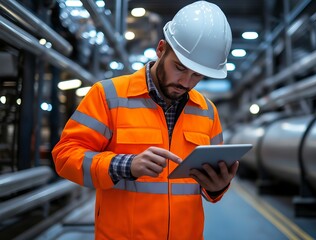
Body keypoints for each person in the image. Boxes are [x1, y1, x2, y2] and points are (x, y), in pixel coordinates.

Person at [52, 1, 237, 239]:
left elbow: (209, 186)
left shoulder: (207, 111)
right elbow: (65, 157)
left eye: (197, 75)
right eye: (180, 68)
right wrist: (126, 165)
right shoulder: (109, 95)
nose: (186, 82)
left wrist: (217, 187)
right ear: (161, 49)